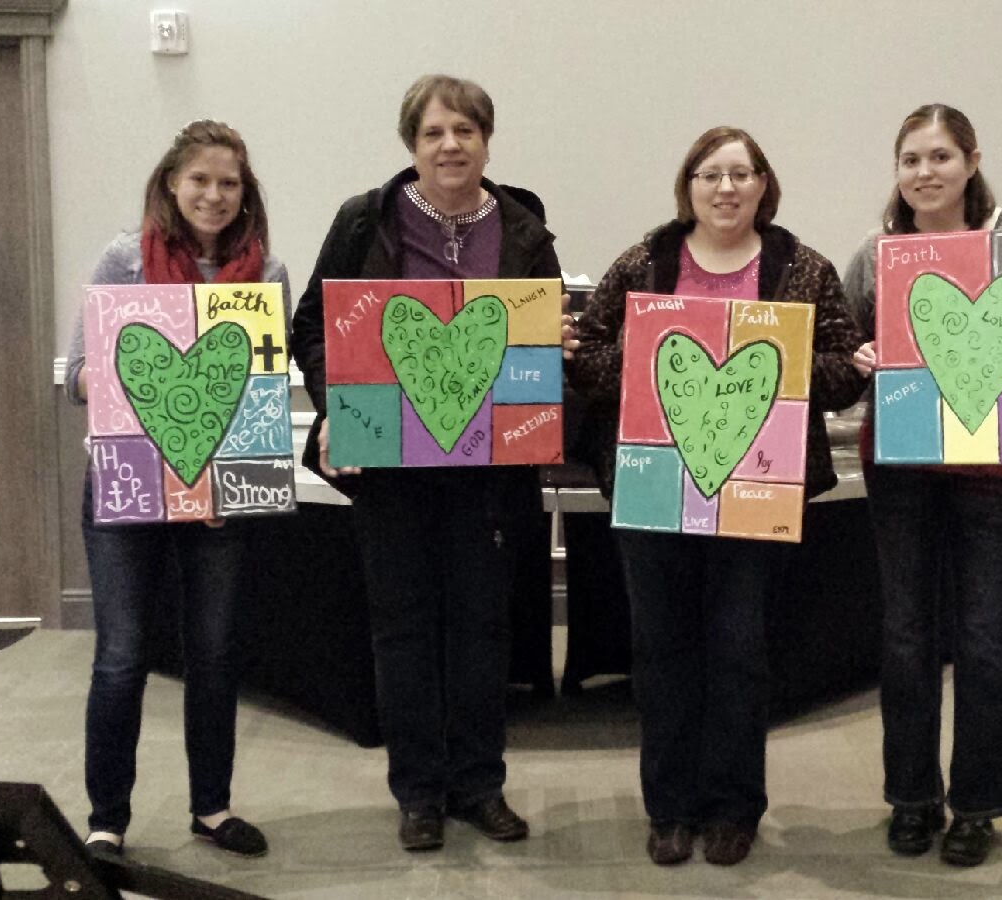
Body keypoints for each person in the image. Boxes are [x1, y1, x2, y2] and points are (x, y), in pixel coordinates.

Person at [569, 126, 866, 867]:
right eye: (710, 174)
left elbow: (842, 373)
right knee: (661, 650)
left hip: (759, 490)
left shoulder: (804, 268)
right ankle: (669, 809)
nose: (726, 188)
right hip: (653, 487)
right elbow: (588, 359)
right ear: (689, 186)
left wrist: (789, 363)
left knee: (741, 652)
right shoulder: (645, 261)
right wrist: (649, 354)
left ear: (764, 185)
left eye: (740, 174)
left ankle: (734, 808)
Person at [289, 74, 559, 852]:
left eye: (465, 131)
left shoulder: (525, 231)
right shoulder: (364, 220)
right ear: (412, 143)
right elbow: (314, 326)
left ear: (487, 142)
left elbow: (540, 344)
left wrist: (554, 352)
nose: (450, 145)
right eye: (435, 132)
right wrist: (339, 405)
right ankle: (418, 794)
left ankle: (479, 786)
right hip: (390, 470)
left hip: (490, 474)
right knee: (402, 632)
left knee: (482, 630)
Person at [842, 103, 1002, 867]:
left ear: (972, 161)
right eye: (911, 159)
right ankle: (912, 797)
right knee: (906, 634)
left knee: (983, 637)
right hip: (901, 465)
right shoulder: (878, 254)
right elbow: (845, 341)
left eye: (941, 156)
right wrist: (858, 357)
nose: (926, 172)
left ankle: (978, 806)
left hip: (998, 470)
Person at [65, 119, 286, 859]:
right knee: (122, 656)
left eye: (229, 183)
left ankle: (212, 808)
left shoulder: (267, 274)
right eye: (200, 180)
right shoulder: (123, 259)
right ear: (171, 183)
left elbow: (259, 394)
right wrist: (115, 373)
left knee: (215, 653)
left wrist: (234, 480)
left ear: (245, 192)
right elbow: (76, 376)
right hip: (127, 486)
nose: (214, 195)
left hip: (218, 497)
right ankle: (106, 820)